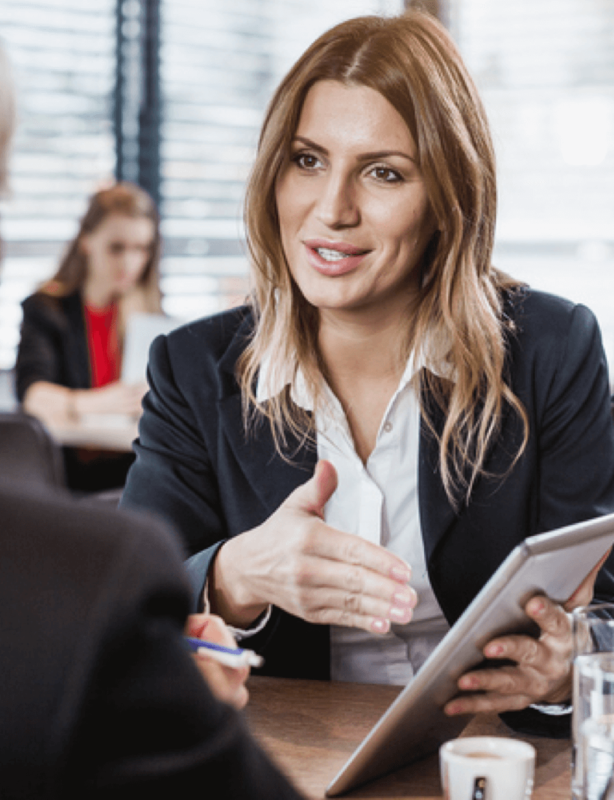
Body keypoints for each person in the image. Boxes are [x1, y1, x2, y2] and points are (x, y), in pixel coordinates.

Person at [120, 9, 614, 737]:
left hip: (492, 758)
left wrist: (568, 665)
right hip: (286, 763)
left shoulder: (550, 350)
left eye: (383, 172)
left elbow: (602, 610)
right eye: (307, 160)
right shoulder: (194, 369)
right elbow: (121, 607)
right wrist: (236, 575)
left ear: (448, 199)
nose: (332, 208)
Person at [15, 182, 163, 491]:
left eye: (141, 249)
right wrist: (102, 402)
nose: (130, 263)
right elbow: (35, 397)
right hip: (68, 476)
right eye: (116, 248)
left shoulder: (149, 316)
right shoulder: (47, 309)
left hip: (131, 472)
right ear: (86, 241)